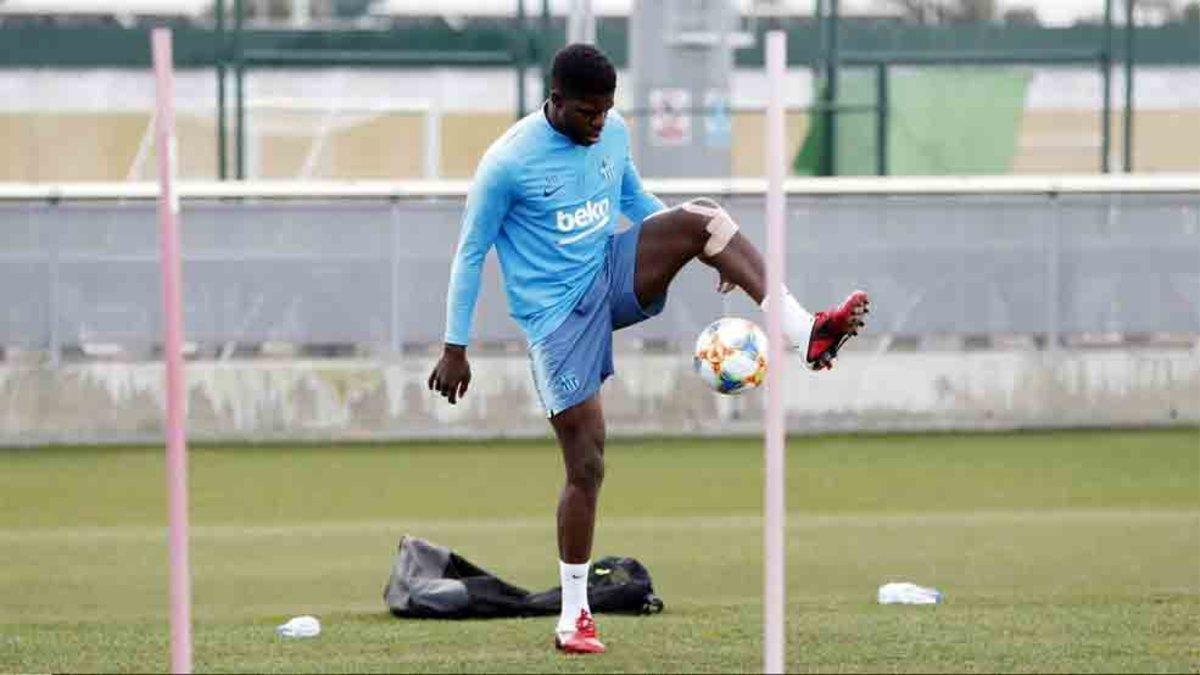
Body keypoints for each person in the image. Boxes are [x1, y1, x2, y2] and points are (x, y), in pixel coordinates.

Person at [428, 43, 869, 655]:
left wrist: (693, 250)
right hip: (556, 321)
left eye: (608, 111)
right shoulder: (507, 164)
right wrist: (455, 346)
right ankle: (574, 617)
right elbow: (470, 254)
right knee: (587, 466)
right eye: (588, 113)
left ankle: (805, 331)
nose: (600, 123)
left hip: (607, 275)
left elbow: (636, 202)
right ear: (555, 102)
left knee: (704, 219)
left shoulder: (612, 133)